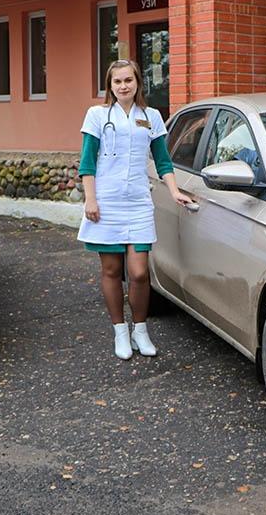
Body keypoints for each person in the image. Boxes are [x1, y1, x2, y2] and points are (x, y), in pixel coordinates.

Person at [78, 59, 193, 360]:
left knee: (139, 273)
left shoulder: (151, 116)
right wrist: (91, 199)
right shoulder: (97, 115)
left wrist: (174, 190)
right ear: (110, 85)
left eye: (128, 80)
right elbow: (87, 162)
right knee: (111, 270)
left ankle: (140, 330)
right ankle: (120, 331)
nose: (123, 86)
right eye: (117, 81)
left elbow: (163, 160)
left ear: (138, 83)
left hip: (139, 201)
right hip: (106, 201)